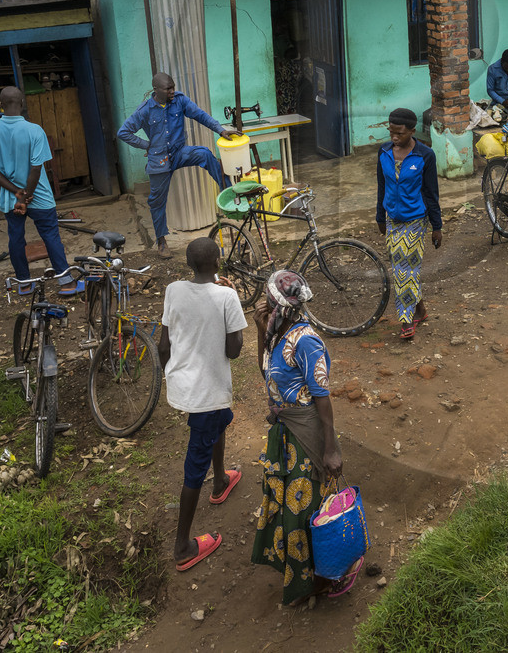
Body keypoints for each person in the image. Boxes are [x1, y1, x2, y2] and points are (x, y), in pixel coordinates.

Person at [249, 269, 360, 606]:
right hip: (286, 434)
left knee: (306, 509)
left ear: (277, 305)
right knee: (291, 507)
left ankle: (323, 577)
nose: (262, 305)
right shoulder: (277, 334)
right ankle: (308, 573)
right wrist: (259, 332)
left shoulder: (306, 340)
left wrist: (330, 450)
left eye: (266, 300)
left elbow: (322, 398)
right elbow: (266, 372)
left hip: (307, 436)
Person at [157, 237, 247, 573]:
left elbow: (164, 345)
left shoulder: (174, 290)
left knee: (220, 419)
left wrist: (173, 374)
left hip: (184, 384)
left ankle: (221, 480)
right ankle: (183, 546)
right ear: (219, 262)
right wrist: (226, 303)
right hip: (206, 390)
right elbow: (234, 350)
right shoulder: (226, 296)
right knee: (195, 464)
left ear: (189, 265)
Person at [118, 73, 238, 257]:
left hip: (179, 153)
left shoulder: (180, 101)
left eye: (173, 87)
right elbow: (123, 132)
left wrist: (220, 129)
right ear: (156, 90)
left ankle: (230, 196)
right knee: (157, 202)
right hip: (159, 160)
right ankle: (162, 242)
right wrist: (146, 145)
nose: (173, 91)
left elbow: (200, 115)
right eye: (168, 89)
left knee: (205, 154)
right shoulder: (145, 110)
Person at [0, 86, 75, 292]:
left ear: (0, 105)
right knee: (50, 235)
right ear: (22, 103)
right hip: (37, 194)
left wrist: (16, 193)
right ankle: (66, 282)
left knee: (15, 238)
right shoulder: (34, 130)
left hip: (10, 196)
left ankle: (23, 283)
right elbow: (36, 167)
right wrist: (27, 195)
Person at [375, 108, 442, 340]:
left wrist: (437, 226)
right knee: (404, 268)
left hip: (416, 219)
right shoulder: (383, 152)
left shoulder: (425, 156)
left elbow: (432, 193)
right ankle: (421, 309)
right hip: (393, 219)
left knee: (404, 268)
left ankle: (406, 320)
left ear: (412, 131)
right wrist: (379, 217)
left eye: (400, 134)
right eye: (391, 132)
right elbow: (381, 187)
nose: (394, 138)